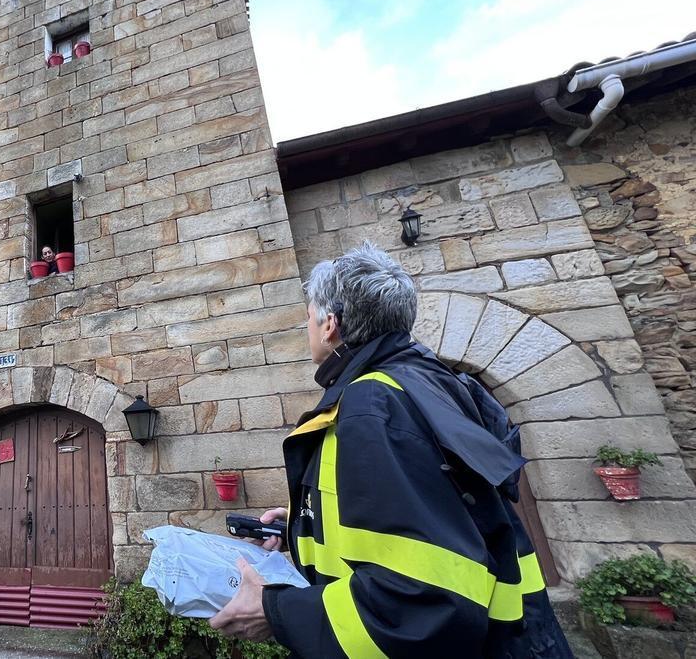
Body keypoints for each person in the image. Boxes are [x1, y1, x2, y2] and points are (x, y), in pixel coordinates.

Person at [210, 244, 572, 658]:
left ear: (330, 324)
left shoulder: (371, 405)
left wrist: (275, 611)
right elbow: (433, 515)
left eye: (308, 317)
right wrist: (306, 520)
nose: (305, 327)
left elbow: (421, 601)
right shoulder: (430, 382)